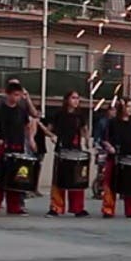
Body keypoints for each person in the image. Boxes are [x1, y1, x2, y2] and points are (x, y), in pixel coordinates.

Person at [46, 89, 89, 217]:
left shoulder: (79, 115)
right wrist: (52, 136)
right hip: (62, 150)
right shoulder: (59, 114)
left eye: (77, 98)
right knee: (59, 179)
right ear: (67, 100)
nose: (76, 101)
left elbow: (84, 129)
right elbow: (48, 129)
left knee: (77, 180)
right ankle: (56, 207)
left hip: (76, 150)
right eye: (73, 98)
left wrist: (86, 139)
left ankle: (78, 208)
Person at [0, 78, 34, 215]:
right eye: (14, 95)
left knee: (16, 178)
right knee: (0, 177)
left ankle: (14, 207)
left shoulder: (21, 110)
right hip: (3, 145)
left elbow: (27, 125)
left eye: (19, 95)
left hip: (18, 145)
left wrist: (30, 140)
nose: (17, 98)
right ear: (8, 94)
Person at [101, 99, 131, 218]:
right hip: (115, 156)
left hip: (130, 156)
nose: (130, 109)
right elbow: (105, 139)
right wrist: (110, 147)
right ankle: (108, 209)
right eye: (128, 106)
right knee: (110, 183)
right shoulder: (112, 123)